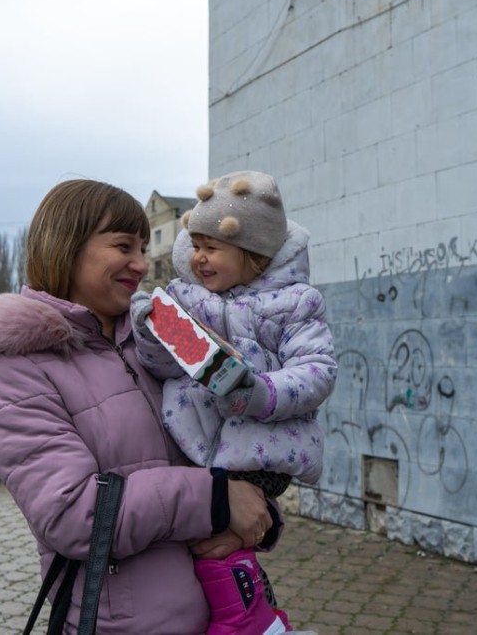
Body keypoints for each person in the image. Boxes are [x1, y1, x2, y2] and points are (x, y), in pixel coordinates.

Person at [0, 178, 276, 635]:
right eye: (124, 245)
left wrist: (259, 506)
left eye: (144, 247)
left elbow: (233, 429)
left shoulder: (164, 329)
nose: (141, 265)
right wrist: (217, 499)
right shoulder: (13, 366)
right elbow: (73, 515)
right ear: (66, 247)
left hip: (232, 609)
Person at [130, 170, 337, 634]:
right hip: (198, 451)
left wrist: (257, 391)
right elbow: (163, 367)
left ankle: (247, 621)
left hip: (263, 452)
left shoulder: (294, 303)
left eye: (212, 248)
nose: (198, 258)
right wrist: (151, 332)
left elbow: (318, 372)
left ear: (254, 256)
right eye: (195, 245)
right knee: (212, 544)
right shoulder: (186, 298)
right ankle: (256, 616)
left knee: (220, 545)